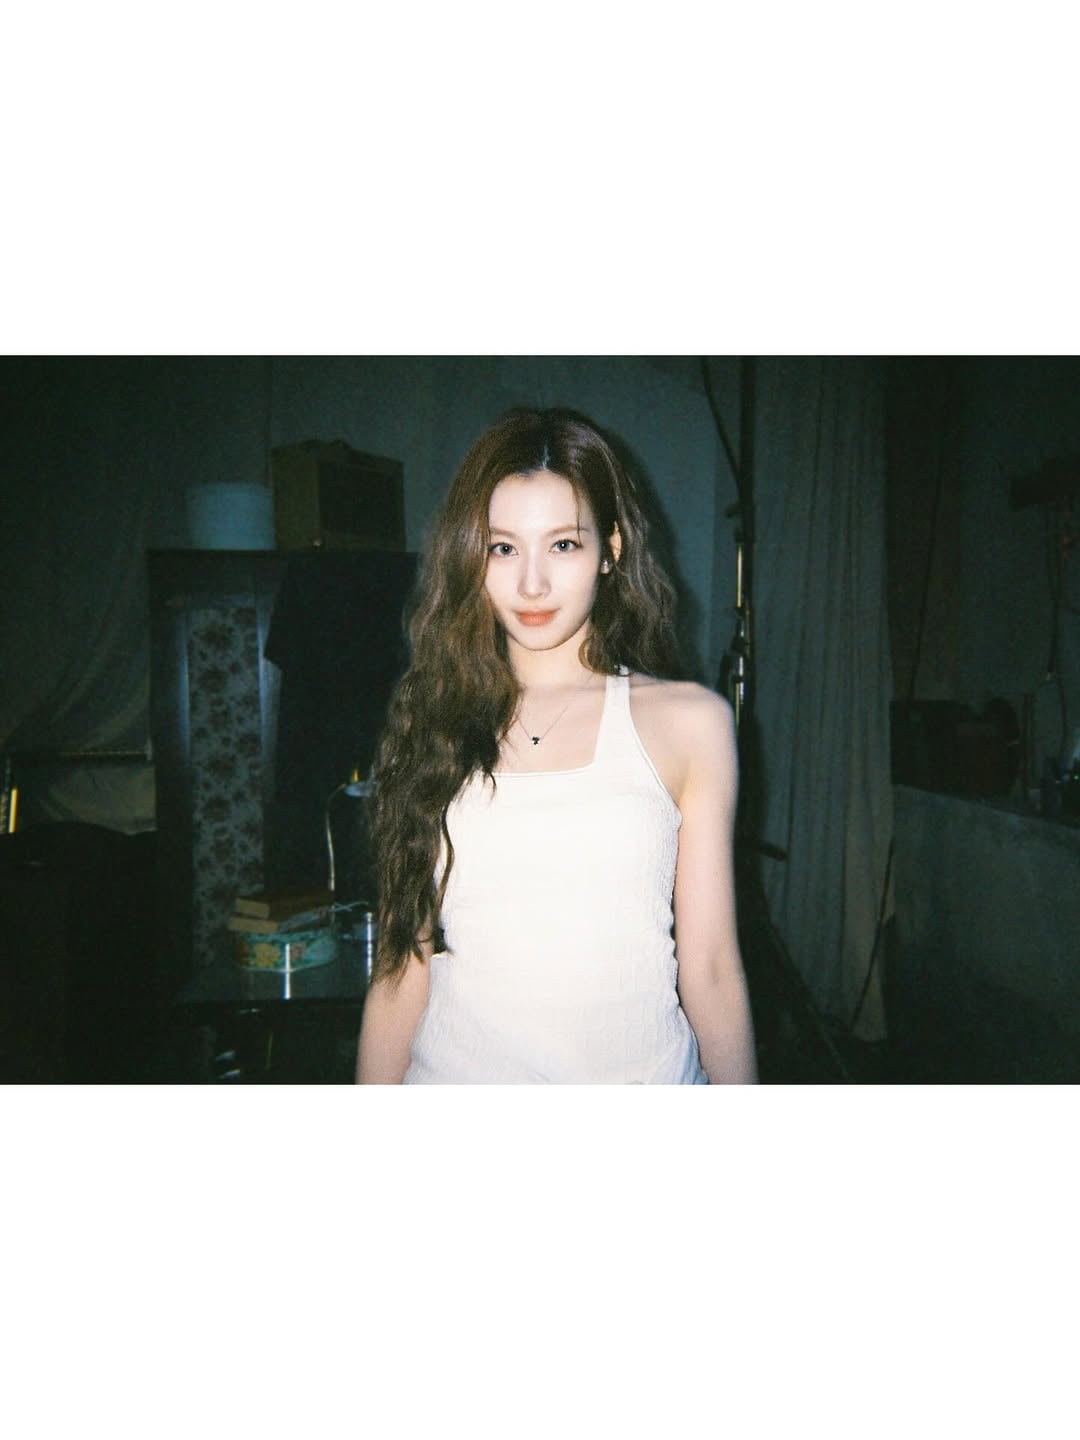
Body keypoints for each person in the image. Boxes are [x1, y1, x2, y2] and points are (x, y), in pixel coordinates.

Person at [355, 407, 756, 1084]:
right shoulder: (431, 720)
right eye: (503, 548)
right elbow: (401, 968)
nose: (532, 583)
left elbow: (712, 966)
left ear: (611, 550)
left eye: (563, 545)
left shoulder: (691, 724)